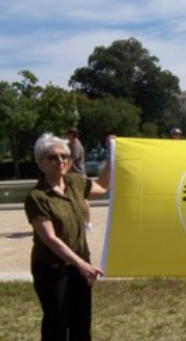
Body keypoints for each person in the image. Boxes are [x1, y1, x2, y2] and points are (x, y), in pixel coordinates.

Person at [24, 133, 113, 341]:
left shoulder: (74, 183)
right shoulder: (37, 197)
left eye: (64, 156)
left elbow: (101, 187)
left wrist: (112, 155)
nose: (61, 161)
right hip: (52, 270)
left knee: (81, 324)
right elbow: (50, 239)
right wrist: (82, 265)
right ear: (40, 163)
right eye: (53, 157)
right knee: (57, 325)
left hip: (80, 267)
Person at [65, 127, 93, 230]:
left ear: (72, 135)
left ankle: (88, 223)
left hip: (78, 176)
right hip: (74, 176)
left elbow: (71, 161)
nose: (66, 136)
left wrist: (62, 172)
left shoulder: (76, 146)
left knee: (82, 199)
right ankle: (79, 222)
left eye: (67, 134)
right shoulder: (71, 145)